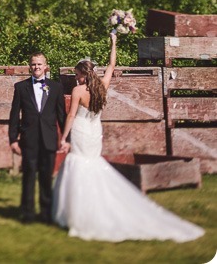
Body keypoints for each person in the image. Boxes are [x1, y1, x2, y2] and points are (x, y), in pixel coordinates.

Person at [52, 33, 205, 242]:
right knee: (92, 164)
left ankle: (81, 212)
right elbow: (112, 65)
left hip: (80, 130)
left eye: (77, 73)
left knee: (79, 165)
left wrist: (64, 137)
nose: (76, 76)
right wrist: (114, 43)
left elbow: (71, 115)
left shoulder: (78, 90)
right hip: (95, 132)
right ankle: (96, 206)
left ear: (82, 74)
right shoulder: (102, 86)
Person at [8, 51, 65, 224]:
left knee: (47, 177)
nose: (36, 67)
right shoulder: (20, 87)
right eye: (33, 64)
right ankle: (28, 213)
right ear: (29, 66)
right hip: (29, 139)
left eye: (39, 64)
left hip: (49, 138)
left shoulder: (56, 87)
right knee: (29, 176)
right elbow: (14, 115)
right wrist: (13, 139)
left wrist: (66, 139)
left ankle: (47, 214)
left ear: (45, 66)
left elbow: (62, 115)